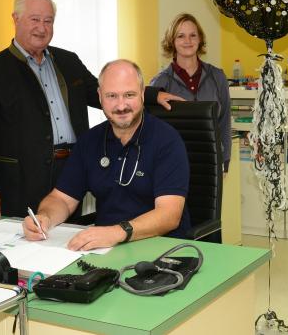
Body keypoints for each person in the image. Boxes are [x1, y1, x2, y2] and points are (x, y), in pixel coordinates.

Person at [0, 0, 181, 220]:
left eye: (48, 21)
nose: (42, 27)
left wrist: (150, 95)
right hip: (21, 181)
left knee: (67, 244)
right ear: (15, 19)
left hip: (71, 170)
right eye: (34, 19)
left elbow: (103, 92)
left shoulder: (68, 61)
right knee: (27, 241)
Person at [23, 59, 191, 250]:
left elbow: (169, 215)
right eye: (112, 96)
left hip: (162, 249)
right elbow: (61, 199)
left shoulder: (167, 140)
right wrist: (45, 217)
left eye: (129, 95)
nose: (121, 106)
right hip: (105, 249)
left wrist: (117, 233)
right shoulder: (89, 141)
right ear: (100, 96)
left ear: (143, 95)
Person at [150, 13, 232, 172]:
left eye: (193, 35)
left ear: (200, 39)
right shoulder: (160, 82)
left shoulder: (218, 77)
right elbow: (153, 130)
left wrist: (225, 159)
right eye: (181, 36)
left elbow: (224, 122)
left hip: (211, 162)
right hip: (173, 164)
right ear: (172, 41)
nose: (187, 41)